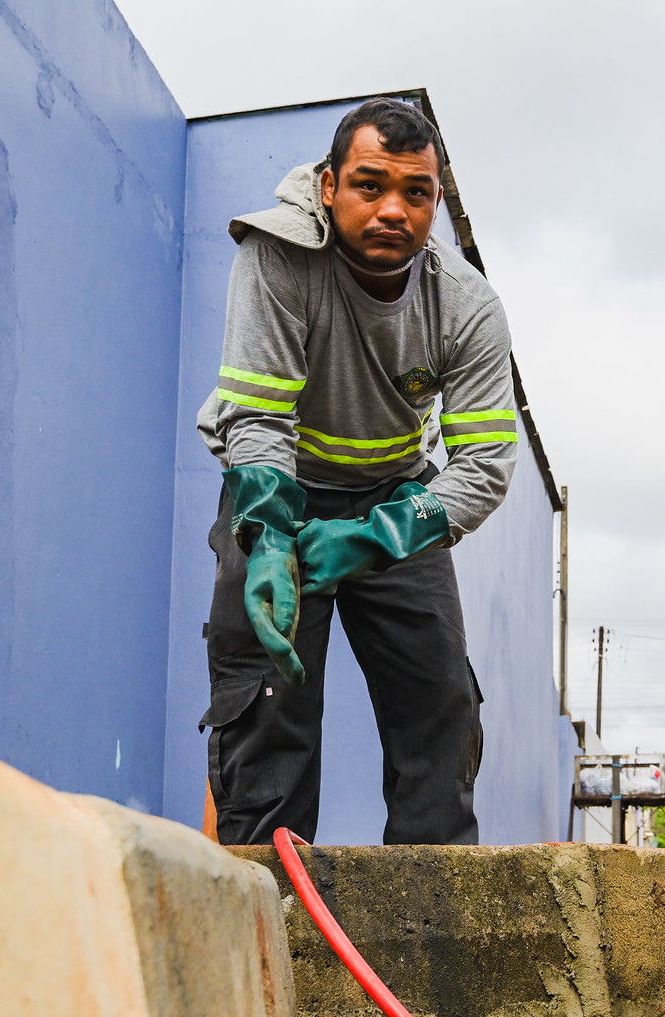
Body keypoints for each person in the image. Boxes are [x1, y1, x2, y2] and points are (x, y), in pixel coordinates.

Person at [197, 98, 517, 846]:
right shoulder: (277, 257)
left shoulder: (467, 306)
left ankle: (430, 903)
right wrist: (268, 535)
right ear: (330, 185)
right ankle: (269, 895)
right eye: (370, 185)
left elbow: (485, 465)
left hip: (394, 500)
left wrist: (375, 537)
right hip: (279, 490)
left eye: (416, 192)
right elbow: (258, 418)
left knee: (440, 706)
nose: (393, 209)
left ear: (435, 203)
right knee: (266, 700)